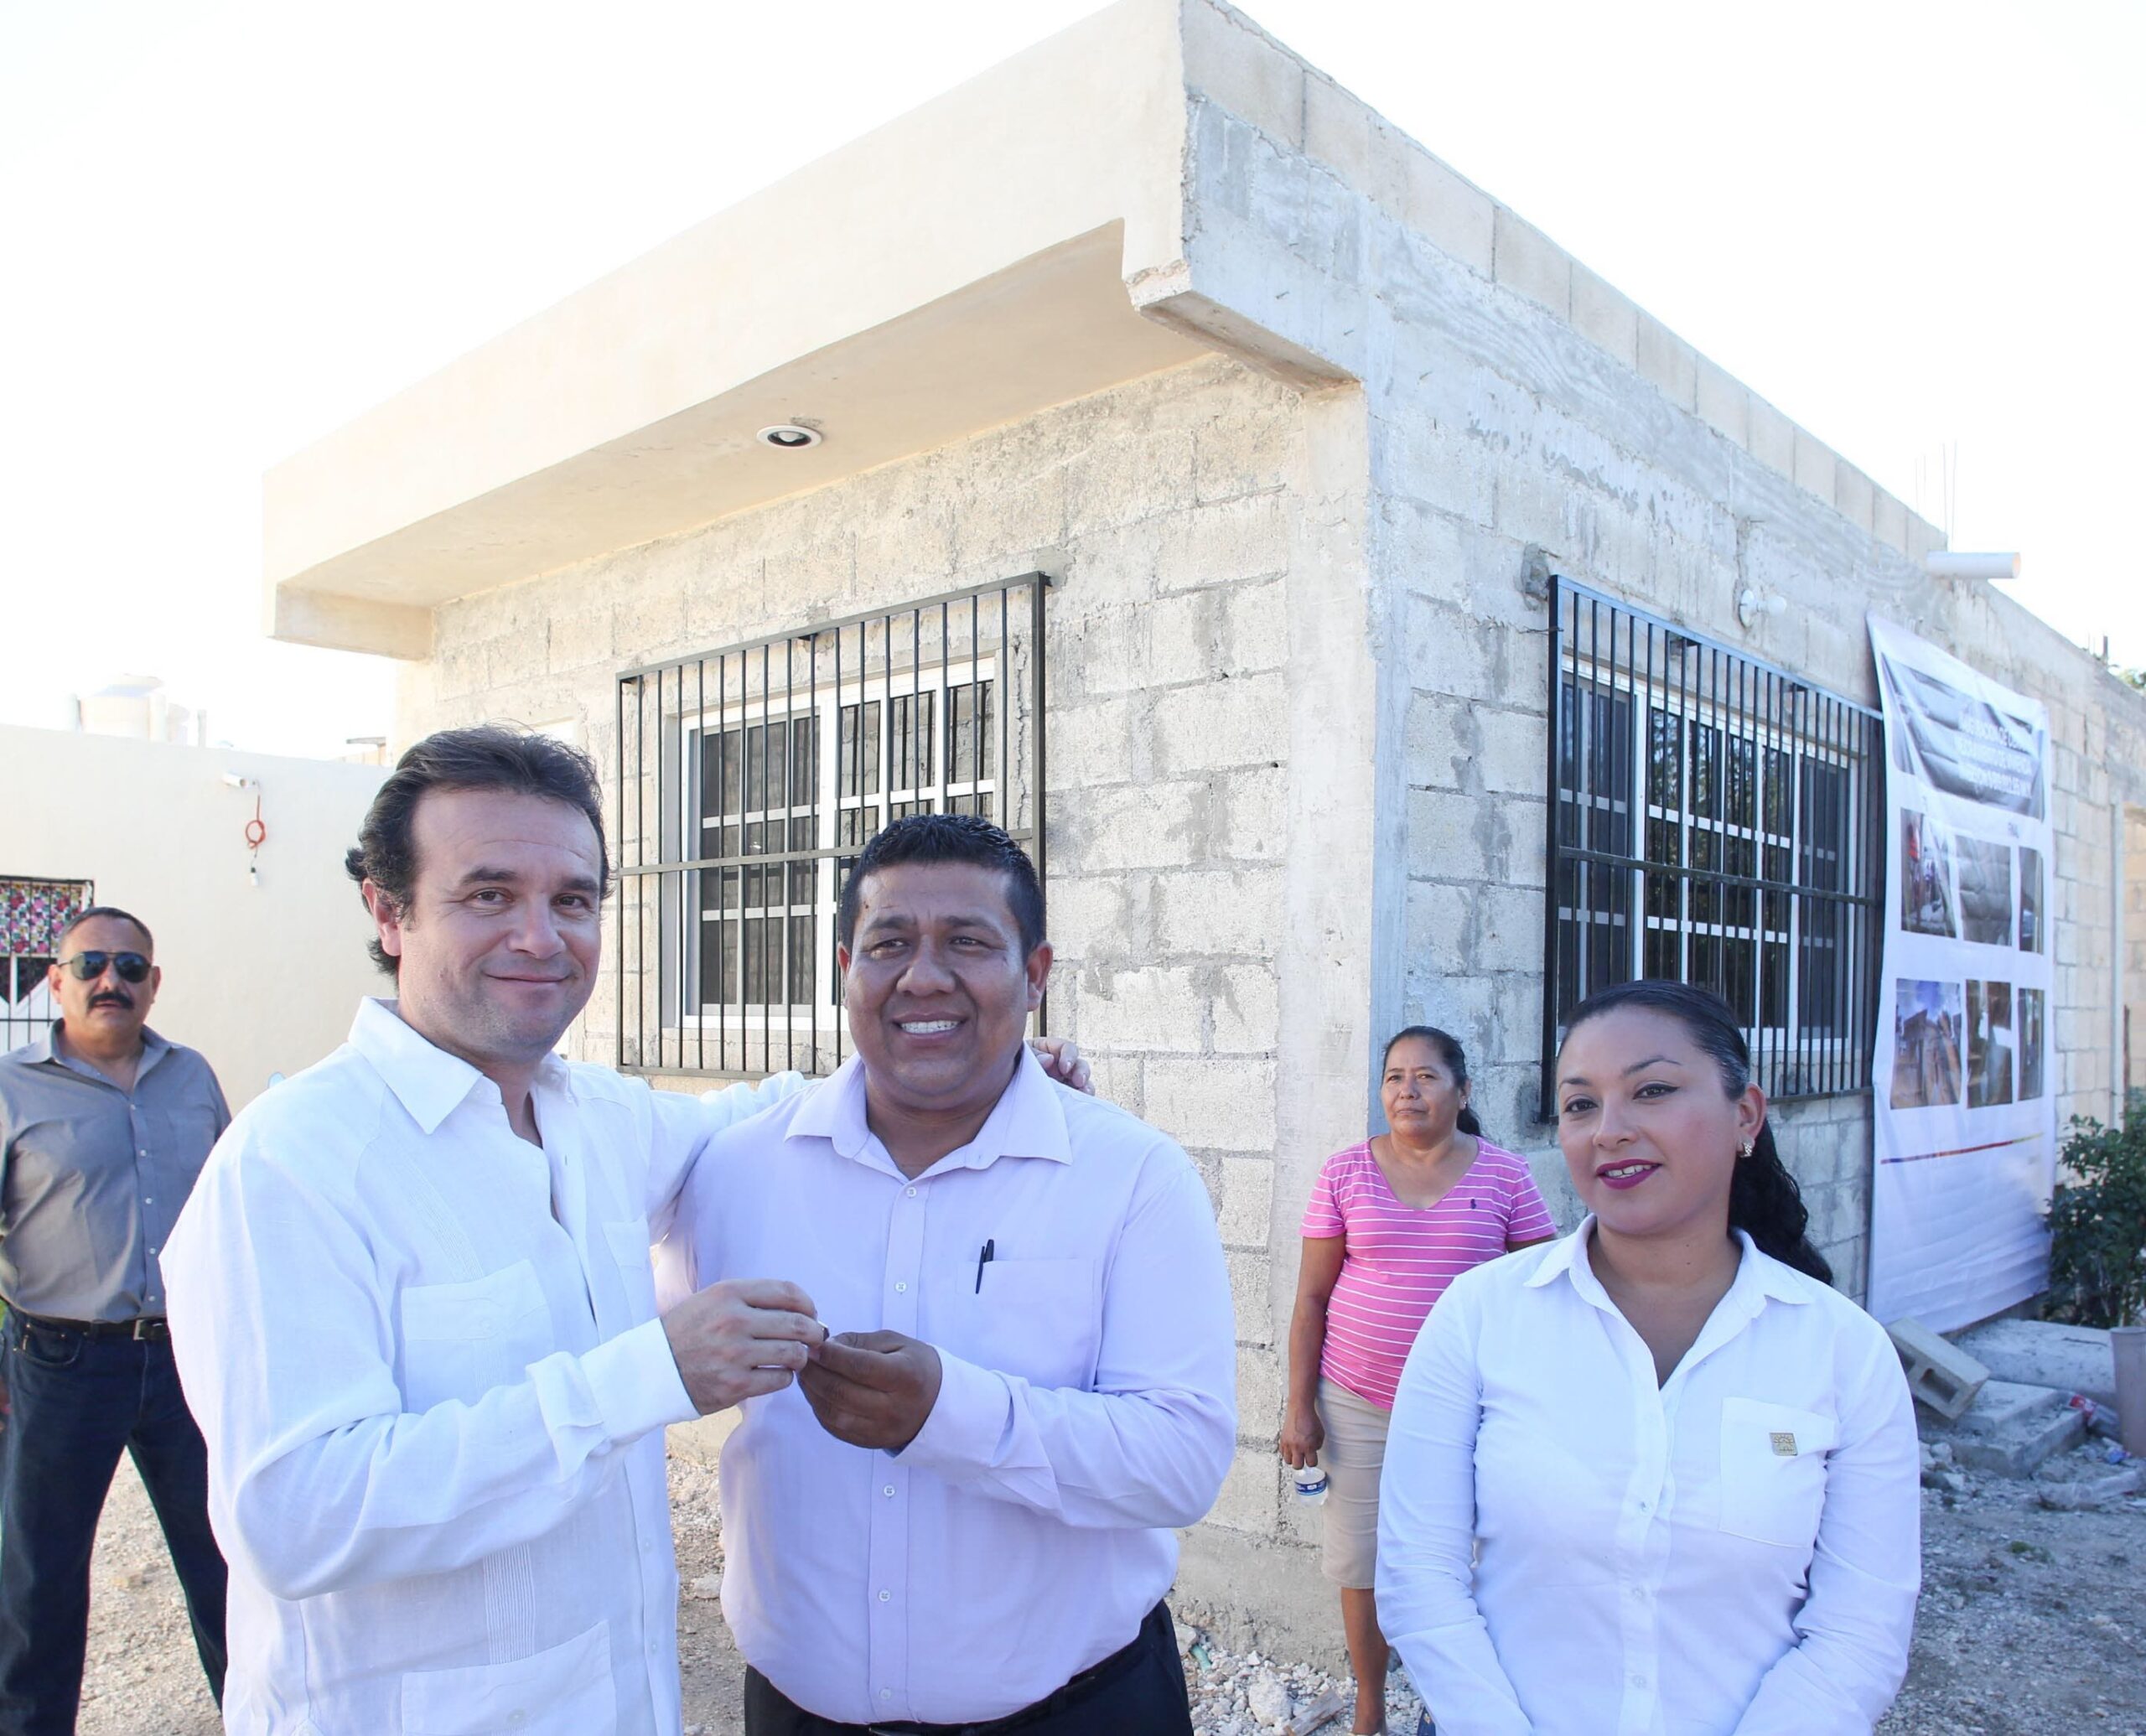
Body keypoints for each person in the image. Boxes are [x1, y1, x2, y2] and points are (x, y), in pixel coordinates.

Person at [163, 728, 1089, 1736]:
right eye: (489, 895)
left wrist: (977, 1067)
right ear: (388, 911)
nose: (539, 936)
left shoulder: (592, 1119)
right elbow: (297, 1516)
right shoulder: (294, 1165)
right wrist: (644, 1377)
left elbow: (768, 1115)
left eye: (572, 900)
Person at [666, 812, 1237, 1735]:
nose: (924, 976)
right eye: (889, 943)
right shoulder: (735, 1171)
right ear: (846, 967)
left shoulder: (1131, 1176)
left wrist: (951, 1414)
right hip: (800, 1714)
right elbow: (643, 1359)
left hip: (1079, 1713)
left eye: (967, 942)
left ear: (1036, 974)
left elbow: (1182, 1463)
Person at [1376, 981, 1920, 1735]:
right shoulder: (1479, 1316)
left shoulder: (1843, 1350)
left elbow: (1860, 1629)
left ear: (1745, 1115)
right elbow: (1419, 1575)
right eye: (1580, 1104)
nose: (1610, 1130)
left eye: (1653, 1090)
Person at [1278, 1026, 1554, 1735]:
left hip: (1470, 1408)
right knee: (1361, 1561)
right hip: (1357, 1399)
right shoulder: (1346, 1172)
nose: (1408, 1090)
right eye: (1395, 1076)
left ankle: (1446, 1701)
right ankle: (1370, 1707)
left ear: (1462, 1091)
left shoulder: (1506, 1176)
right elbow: (1311, 1300)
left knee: (1461, 1559)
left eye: (1426, 1076)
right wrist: (1299, 1405)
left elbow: (1543, 1294)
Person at [0, 905, 231, 1735]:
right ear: (54, 980)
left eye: (130, 967)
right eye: (91, 964)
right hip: (59, 1363)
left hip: (185, 1361)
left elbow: (230, 1213)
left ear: (153, 983)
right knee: (39, 1582)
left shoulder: (191, 1077)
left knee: (228, 1560)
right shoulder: (11, 1087)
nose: (111, 981)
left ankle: (258, 1714)